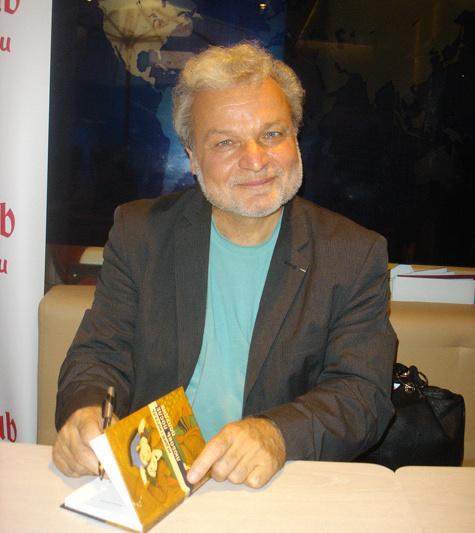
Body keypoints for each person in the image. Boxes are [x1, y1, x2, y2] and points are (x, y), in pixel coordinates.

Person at [53, 42, 396, 489]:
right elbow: (100, 353)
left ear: (295, 138)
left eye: (271, 134)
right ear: (192, 157)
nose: (255, 160)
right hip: (155, 481)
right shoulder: (140, 234)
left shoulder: (353, 254)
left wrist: (277, 434)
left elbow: (363, 394)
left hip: (275, 484)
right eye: (226, 143)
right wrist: (85, 411)